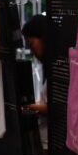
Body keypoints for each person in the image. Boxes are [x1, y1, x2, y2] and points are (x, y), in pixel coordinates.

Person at [22, 14, 49, 147]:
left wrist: (29, 107)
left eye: (32, 44)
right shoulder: (50, 68)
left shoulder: (59, 68)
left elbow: (56, 109)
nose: (32, 51)